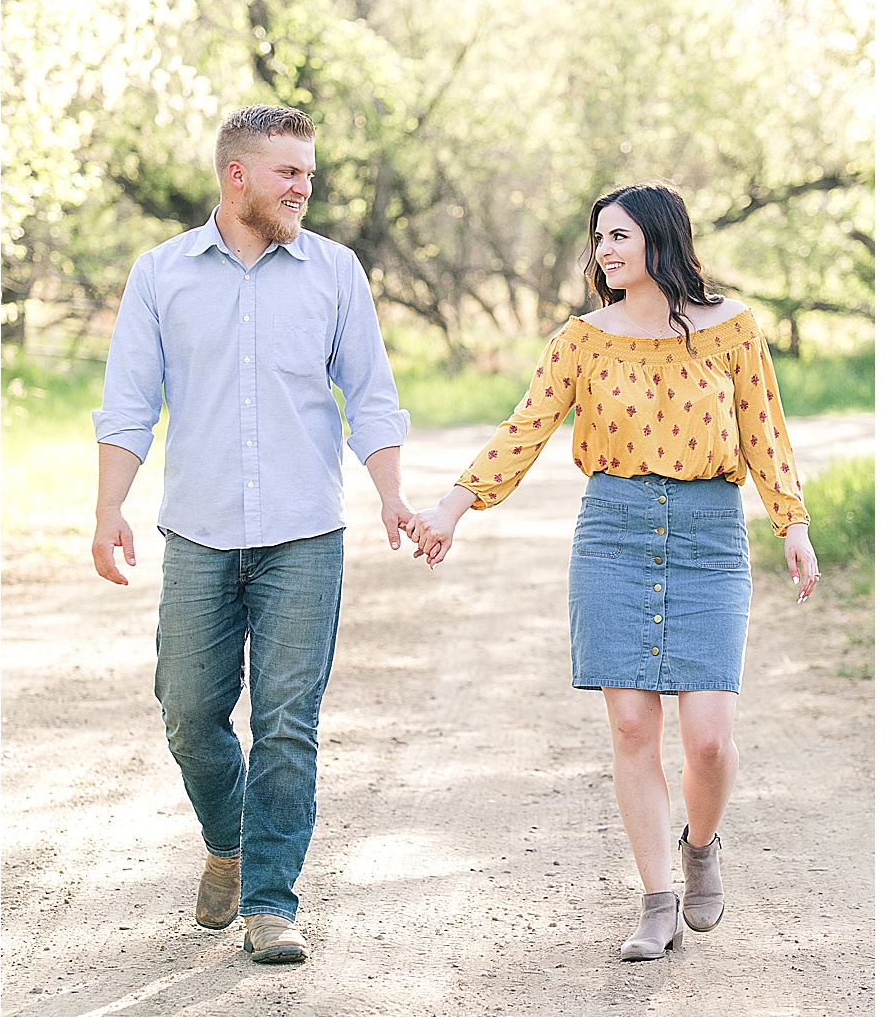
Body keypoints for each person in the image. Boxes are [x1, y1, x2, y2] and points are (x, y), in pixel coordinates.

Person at [408, 181, 818, 961]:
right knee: (632, 724)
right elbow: (525, 427)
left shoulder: (732, 328)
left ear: (662, 238)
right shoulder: (582, 339)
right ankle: (657, 899)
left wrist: (792, 523)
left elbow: (765, 430)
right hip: (614, 532)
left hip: (708, 535)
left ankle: (701, 845)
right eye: (599, 238)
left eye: (620, 236)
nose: (605, 250)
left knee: (708, 740)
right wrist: (453, 507)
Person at [90, 104, 415, 965]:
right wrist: (106, 508)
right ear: (238, 175)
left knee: (286, 721)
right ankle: (229, 840)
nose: (305, 187)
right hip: (197, 530)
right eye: (289, 172)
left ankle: (271, 902)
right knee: (189, 712)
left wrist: (389, 493)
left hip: (306, 532)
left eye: (309, 172)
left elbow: (371, 396)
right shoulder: (161, 274)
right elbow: (129, 403)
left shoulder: (336, 273)